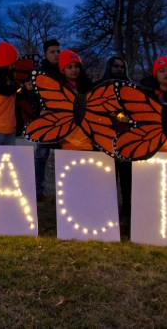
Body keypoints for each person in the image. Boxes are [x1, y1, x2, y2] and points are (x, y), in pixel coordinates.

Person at [97, 56, 133, 224]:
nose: (119, 69)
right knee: (107, 177)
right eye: (116, 66)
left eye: (122, 66)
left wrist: (123, 116)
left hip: (126, 139)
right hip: (105, 137)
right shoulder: (100, 87)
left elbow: (133, 112)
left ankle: (127, 209)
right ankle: (106, 209)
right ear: (109, 67)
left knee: (127, 178)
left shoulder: (130, 87)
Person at [34, 39, 61, 200]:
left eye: (58, 51)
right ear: (45, 53)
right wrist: (39, 112)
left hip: (61, 119)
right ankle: (38, 190)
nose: (56, 54)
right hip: (45, 120)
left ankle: (64, 190)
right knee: (41, 156)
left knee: (62, 156)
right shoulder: (39, 71)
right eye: (53, 51)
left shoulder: (63, 70)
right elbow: (35, 96)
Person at [54, 50, 95, 150]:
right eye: (69, 67)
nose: (74, 70)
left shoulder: (88, 85)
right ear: (62, 70)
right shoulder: (57, 88)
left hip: (87, 136)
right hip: (67, 137)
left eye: (76, 66)